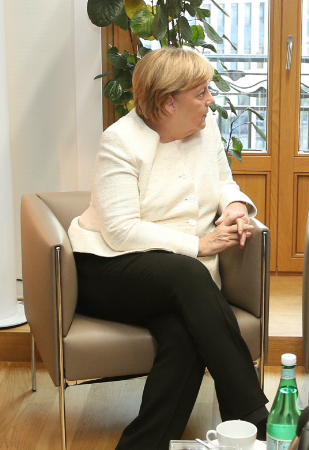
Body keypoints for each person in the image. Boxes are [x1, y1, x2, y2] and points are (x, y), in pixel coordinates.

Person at [67, 47, 268, 450]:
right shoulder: (120, 141)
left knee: (183, 334)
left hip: (175, 279)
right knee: (187, 271)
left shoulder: (206, 130)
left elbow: (224, 181)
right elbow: (121, 231)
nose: (211, 100)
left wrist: (234, 206)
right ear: (167, 102)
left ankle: (143, 443)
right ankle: (254, 421)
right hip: (108, 269)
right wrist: (200, 244)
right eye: (201, 93)